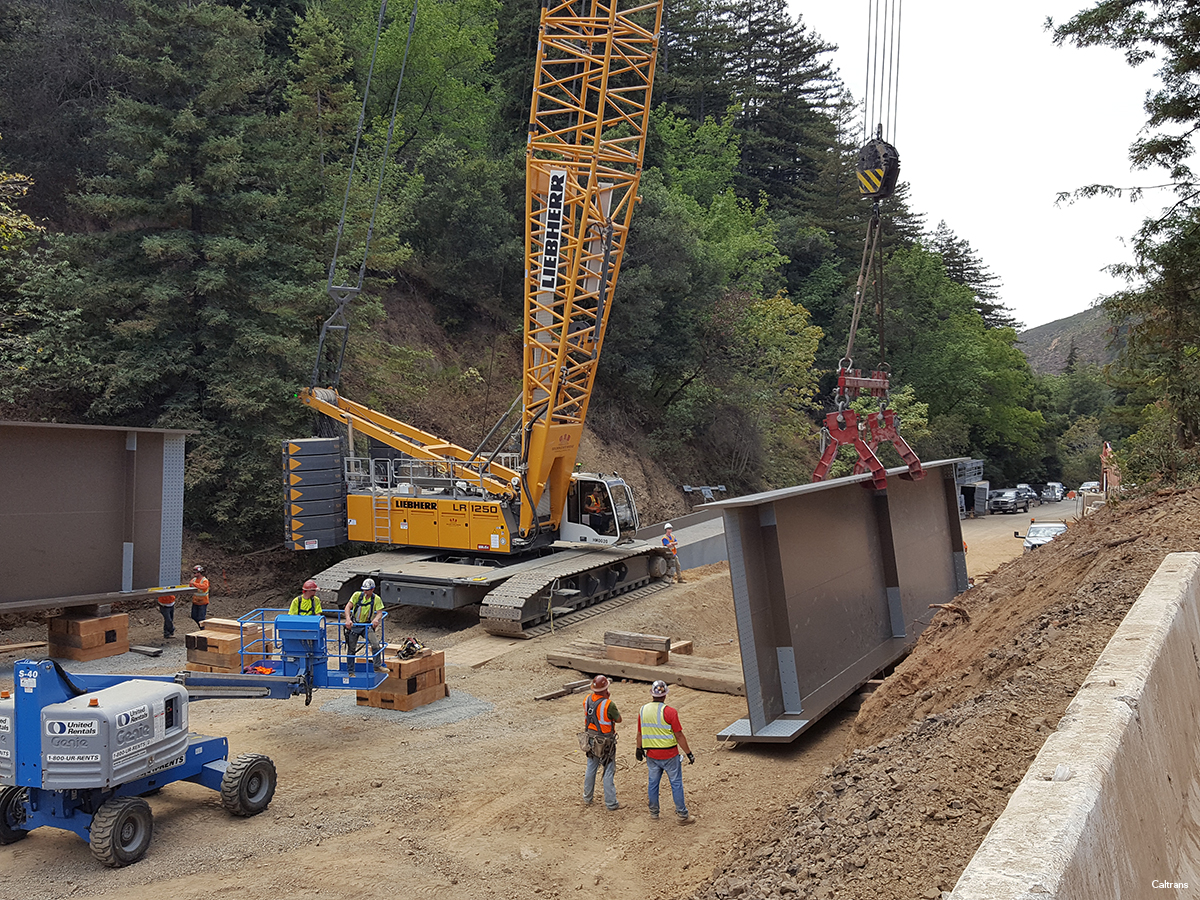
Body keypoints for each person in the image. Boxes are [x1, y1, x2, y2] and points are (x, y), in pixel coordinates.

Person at [635, 680, 695, 824]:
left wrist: (638, 748)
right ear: (665, 695)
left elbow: (640, 733)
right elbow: (679, 735)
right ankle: (682, 815)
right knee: (676, 784)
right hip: (670, 755)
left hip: (651, 755)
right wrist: (688, 753)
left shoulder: (643, 710)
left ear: (652, 694)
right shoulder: (670, 712)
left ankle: (654, 813)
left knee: (653, 784)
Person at [582, 674, 622, 810]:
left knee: (591, 767)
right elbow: (618, 719)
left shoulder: (587, 700)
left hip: (590, 739)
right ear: (606, 689)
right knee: (608, 770)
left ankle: (587, 797)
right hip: (605, 742)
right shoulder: (609, 704)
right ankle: (611, 803)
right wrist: (607, 699)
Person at [343, 578, 386, 675]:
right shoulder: (357, 595)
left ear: (372, 589)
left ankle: (377, 665)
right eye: (364, 590)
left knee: (375, 644)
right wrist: (348, 619)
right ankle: (350, 671)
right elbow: (348, 607)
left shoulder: (376, 599)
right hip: (355, 625)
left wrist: (376, 619)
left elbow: (380, 612)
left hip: (366, 626)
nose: (365, 592)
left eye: (367, 590)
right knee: (351, 649)